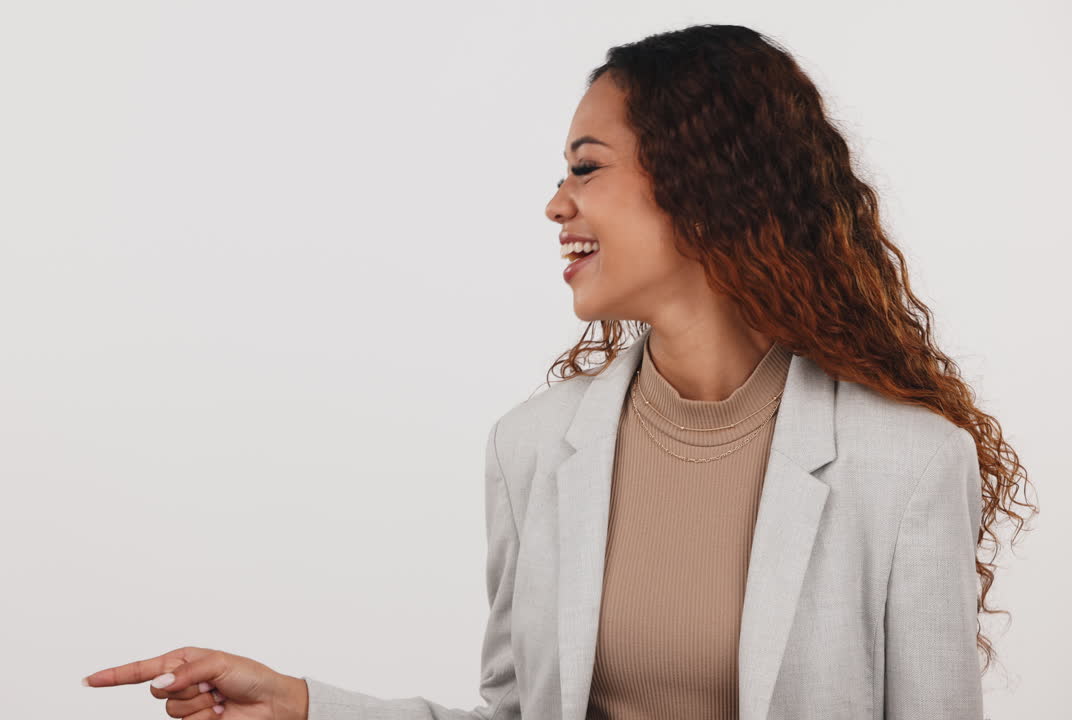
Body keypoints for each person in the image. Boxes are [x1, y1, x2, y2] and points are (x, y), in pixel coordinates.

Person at [81, 23, 1034, 720]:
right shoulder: (533, 448)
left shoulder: (908, 465)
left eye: (586, 167)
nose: (554, 203)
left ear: (706, 177)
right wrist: (303, 704)